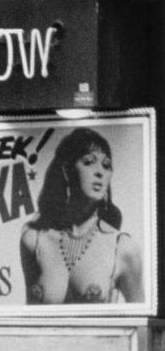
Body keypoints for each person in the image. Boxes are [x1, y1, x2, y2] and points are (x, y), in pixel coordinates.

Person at [20, 127, 144, 304]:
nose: (100, 171)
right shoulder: (33, 241)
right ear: (66, 170)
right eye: (89, 162)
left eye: (106, 165)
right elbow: (28, 318)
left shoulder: (123, 248)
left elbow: (142, 325)